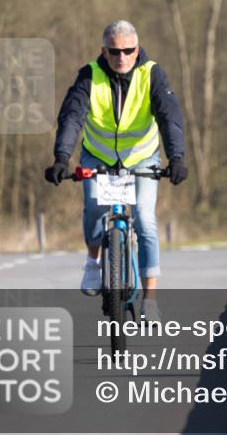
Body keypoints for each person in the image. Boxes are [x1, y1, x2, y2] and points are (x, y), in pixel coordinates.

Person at [44, 21, 187, 322]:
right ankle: (92, 263)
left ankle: (150, 300)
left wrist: (176, 158)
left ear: (137, 49)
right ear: (103, 51)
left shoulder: (152, 74)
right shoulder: (89, 75)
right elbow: (72, 117)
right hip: (98, 156)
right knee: (94, 208)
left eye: (128, 50)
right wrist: (61, 158)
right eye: (114, 51)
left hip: (141, 158)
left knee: (145, 219)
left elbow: (169, 116)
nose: (121, 57)